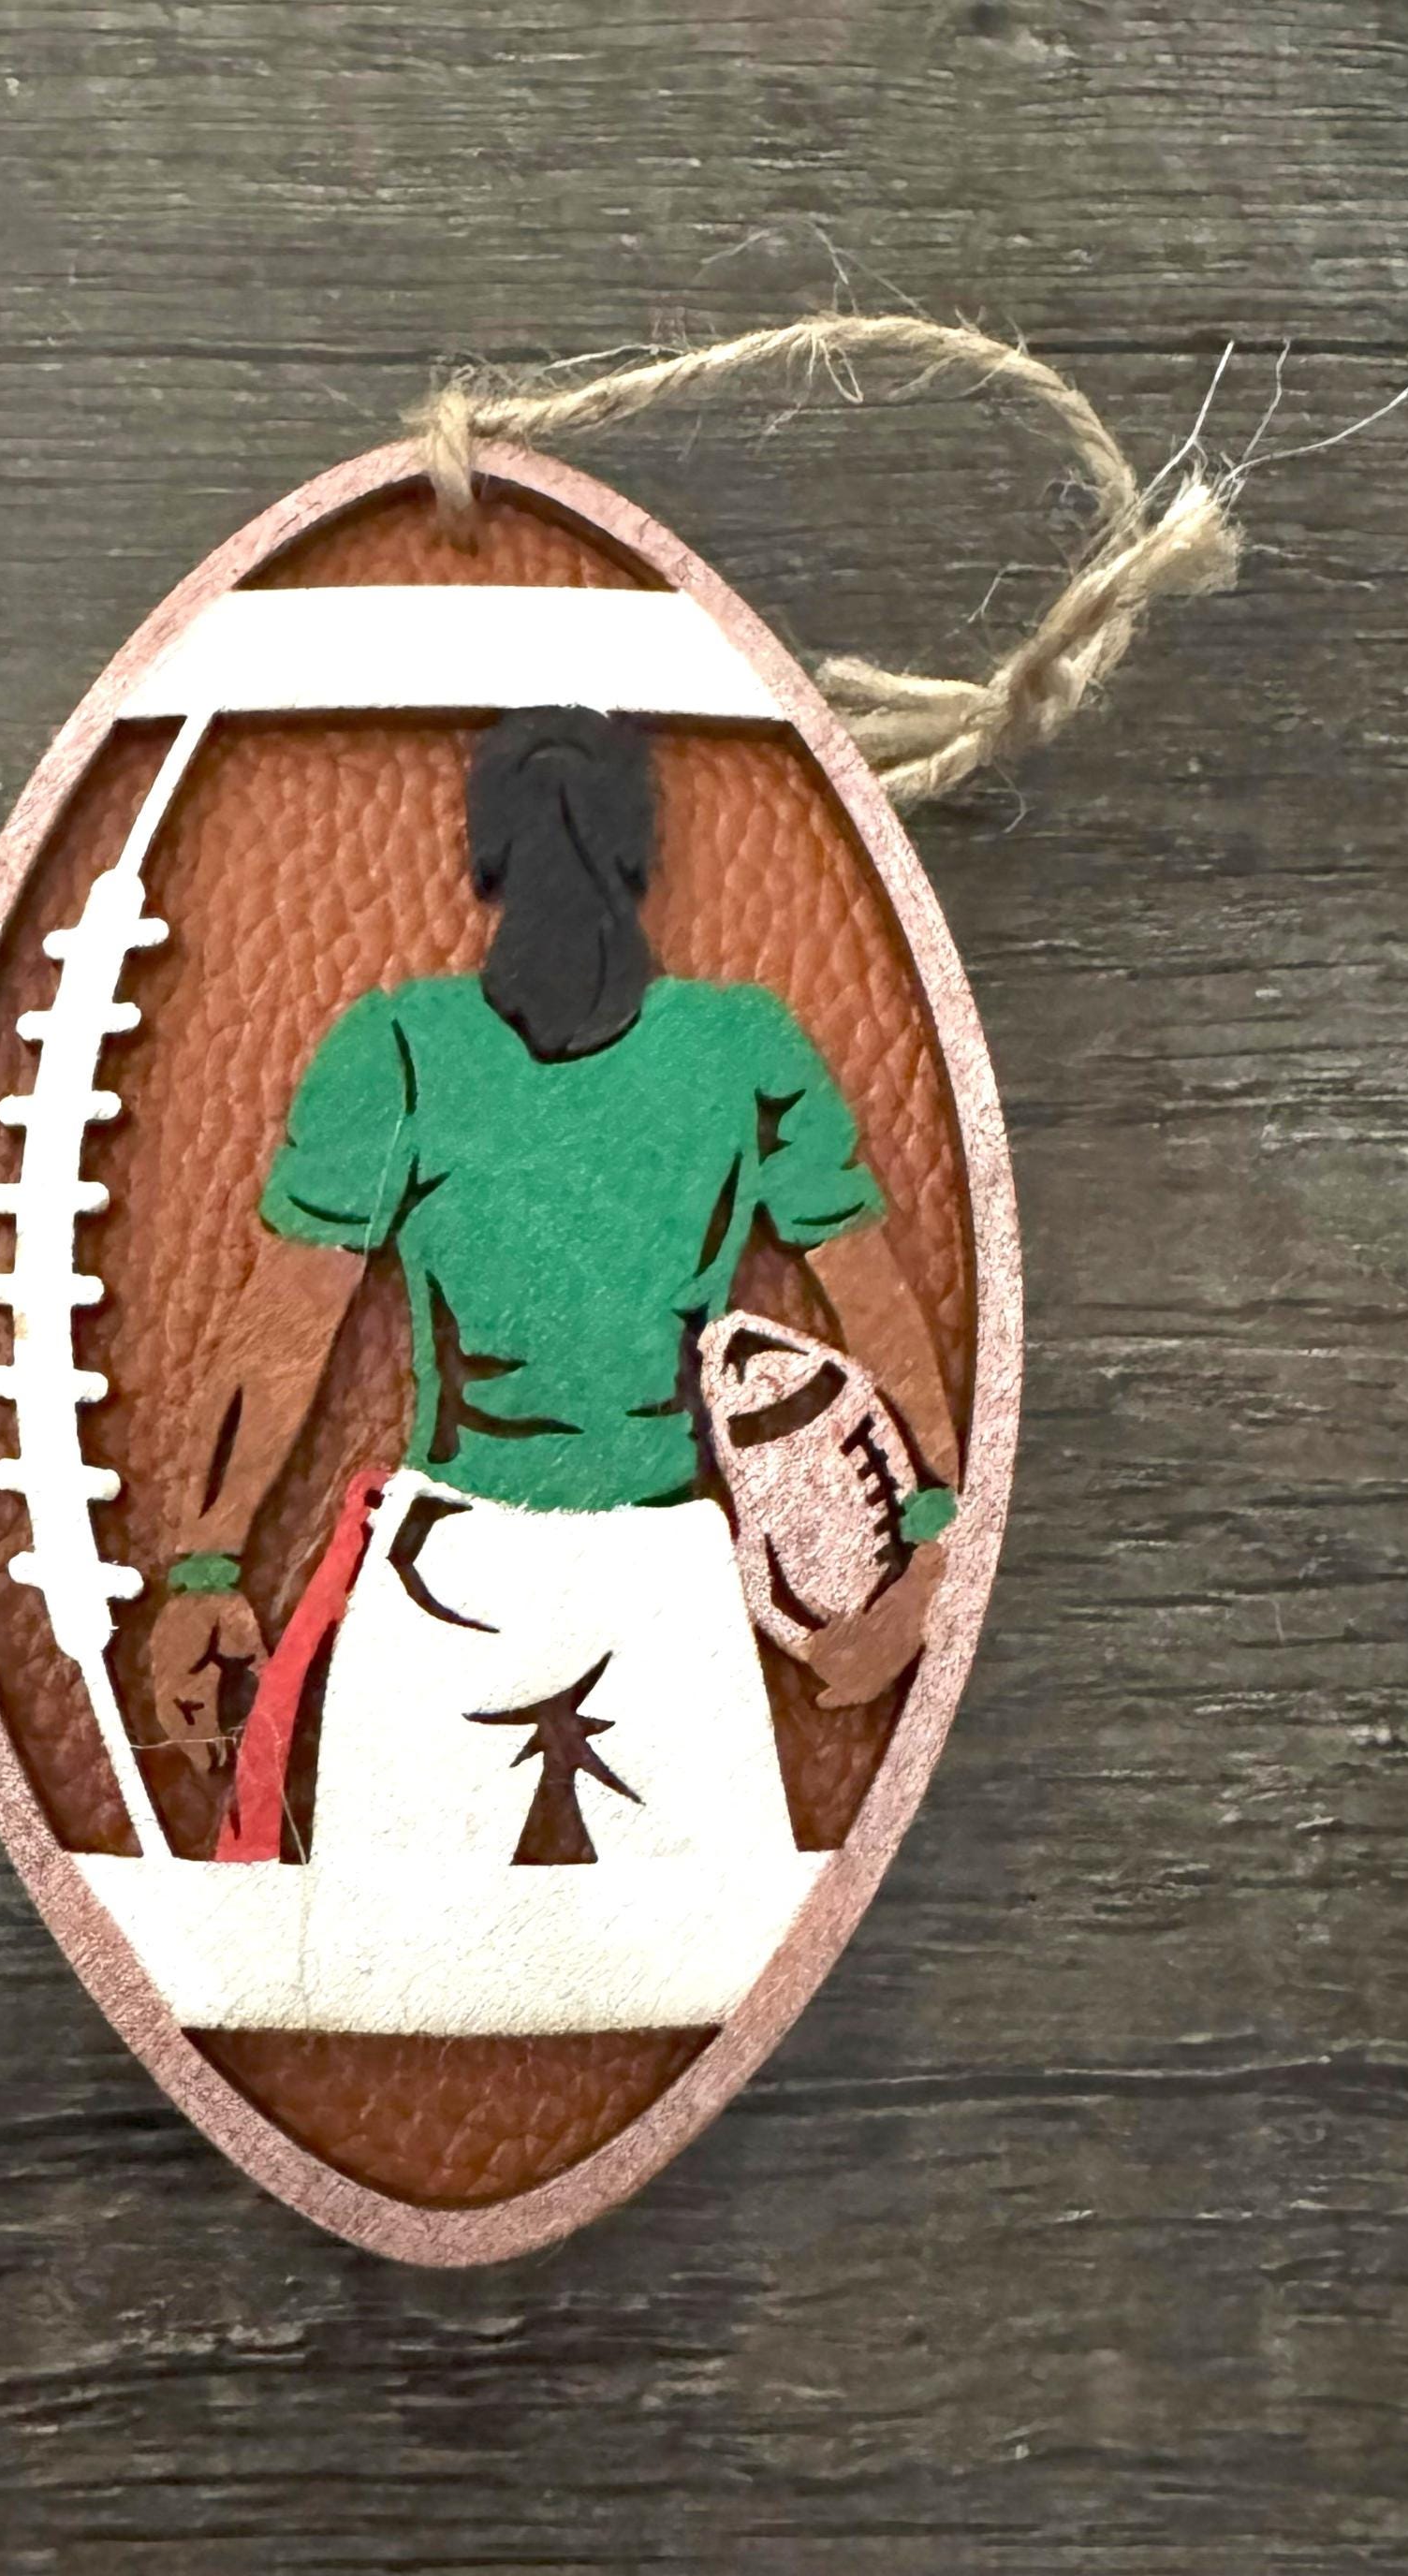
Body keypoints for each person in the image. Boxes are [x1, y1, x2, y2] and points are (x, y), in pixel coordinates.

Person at [148, 707, 958, 1865]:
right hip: (489, 1561)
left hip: (622, 1566)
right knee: (413, 1932)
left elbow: (276, 1335)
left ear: (482, 855)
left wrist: (938, 1550)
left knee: (645, 1932)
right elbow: (280, 1336)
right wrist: (204, 1564)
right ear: (642, 852)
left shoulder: (702, 1049)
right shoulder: (422, 1050)